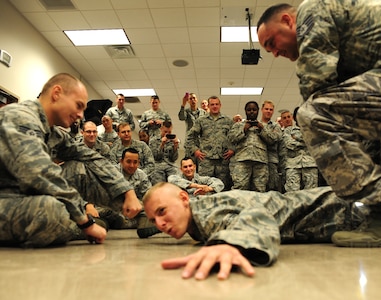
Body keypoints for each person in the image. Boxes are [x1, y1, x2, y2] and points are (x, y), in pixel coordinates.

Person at [257, 1, 381, 247]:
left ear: (288, 21)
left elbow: (316, 80)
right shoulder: (349, 49)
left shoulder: (312, 9)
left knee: (314, 113)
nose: (275, 54)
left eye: (271, 43)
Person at [0, 73, 142, 247]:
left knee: (78, 170)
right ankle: (77, 227)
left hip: (21, 196)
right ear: (57, 93)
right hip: (6, 198)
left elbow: (91, 157)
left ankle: (143, 215)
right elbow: (41, 173)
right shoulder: (19, 117)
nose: (81, 115)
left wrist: (128, 193)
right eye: (78, 106)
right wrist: (84, 222)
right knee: (51, 210)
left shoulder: (51, 132)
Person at [143, 182, 360, 280]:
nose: (160, 224)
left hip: (343, 208)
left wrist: (228, 244)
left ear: (184, 198)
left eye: (162, 212)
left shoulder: (208, 213)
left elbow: (258, 217)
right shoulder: (195, 217)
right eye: (154, 219)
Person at [185, 96, 235, 190]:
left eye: (217, 104)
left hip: (223, 161)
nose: (215, 106)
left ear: (220, 105)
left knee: (223, 188)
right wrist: (195, 150)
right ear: (209, 106)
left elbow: (235, 137)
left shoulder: (228, 121)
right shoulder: (201, 120)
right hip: (206, 161)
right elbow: (190, 136)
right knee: (204, 188)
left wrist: (232, 149)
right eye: (212, 104)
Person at [228, 101, 274, 192]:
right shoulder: (238, 125)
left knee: (260, 189)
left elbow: (272, 140)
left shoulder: (264, 126)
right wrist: (244, 130)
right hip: (242, 160)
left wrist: (262, 129)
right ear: (245, 111)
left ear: (258, 111)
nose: (252, 112)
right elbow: (231, 138)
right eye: (249, 110)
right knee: (239, 187)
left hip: (260, 162)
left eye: (254, 110)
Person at [260, 100, 283, 191]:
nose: (268, 111)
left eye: (271, 109)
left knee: (272, 187)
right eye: (266, 109)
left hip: (271, 161)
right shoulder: (255, 124)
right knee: (259, 187)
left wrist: (262, 130)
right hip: (259, 160)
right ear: (262, 110)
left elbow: (273, 139)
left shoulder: (276, 126)